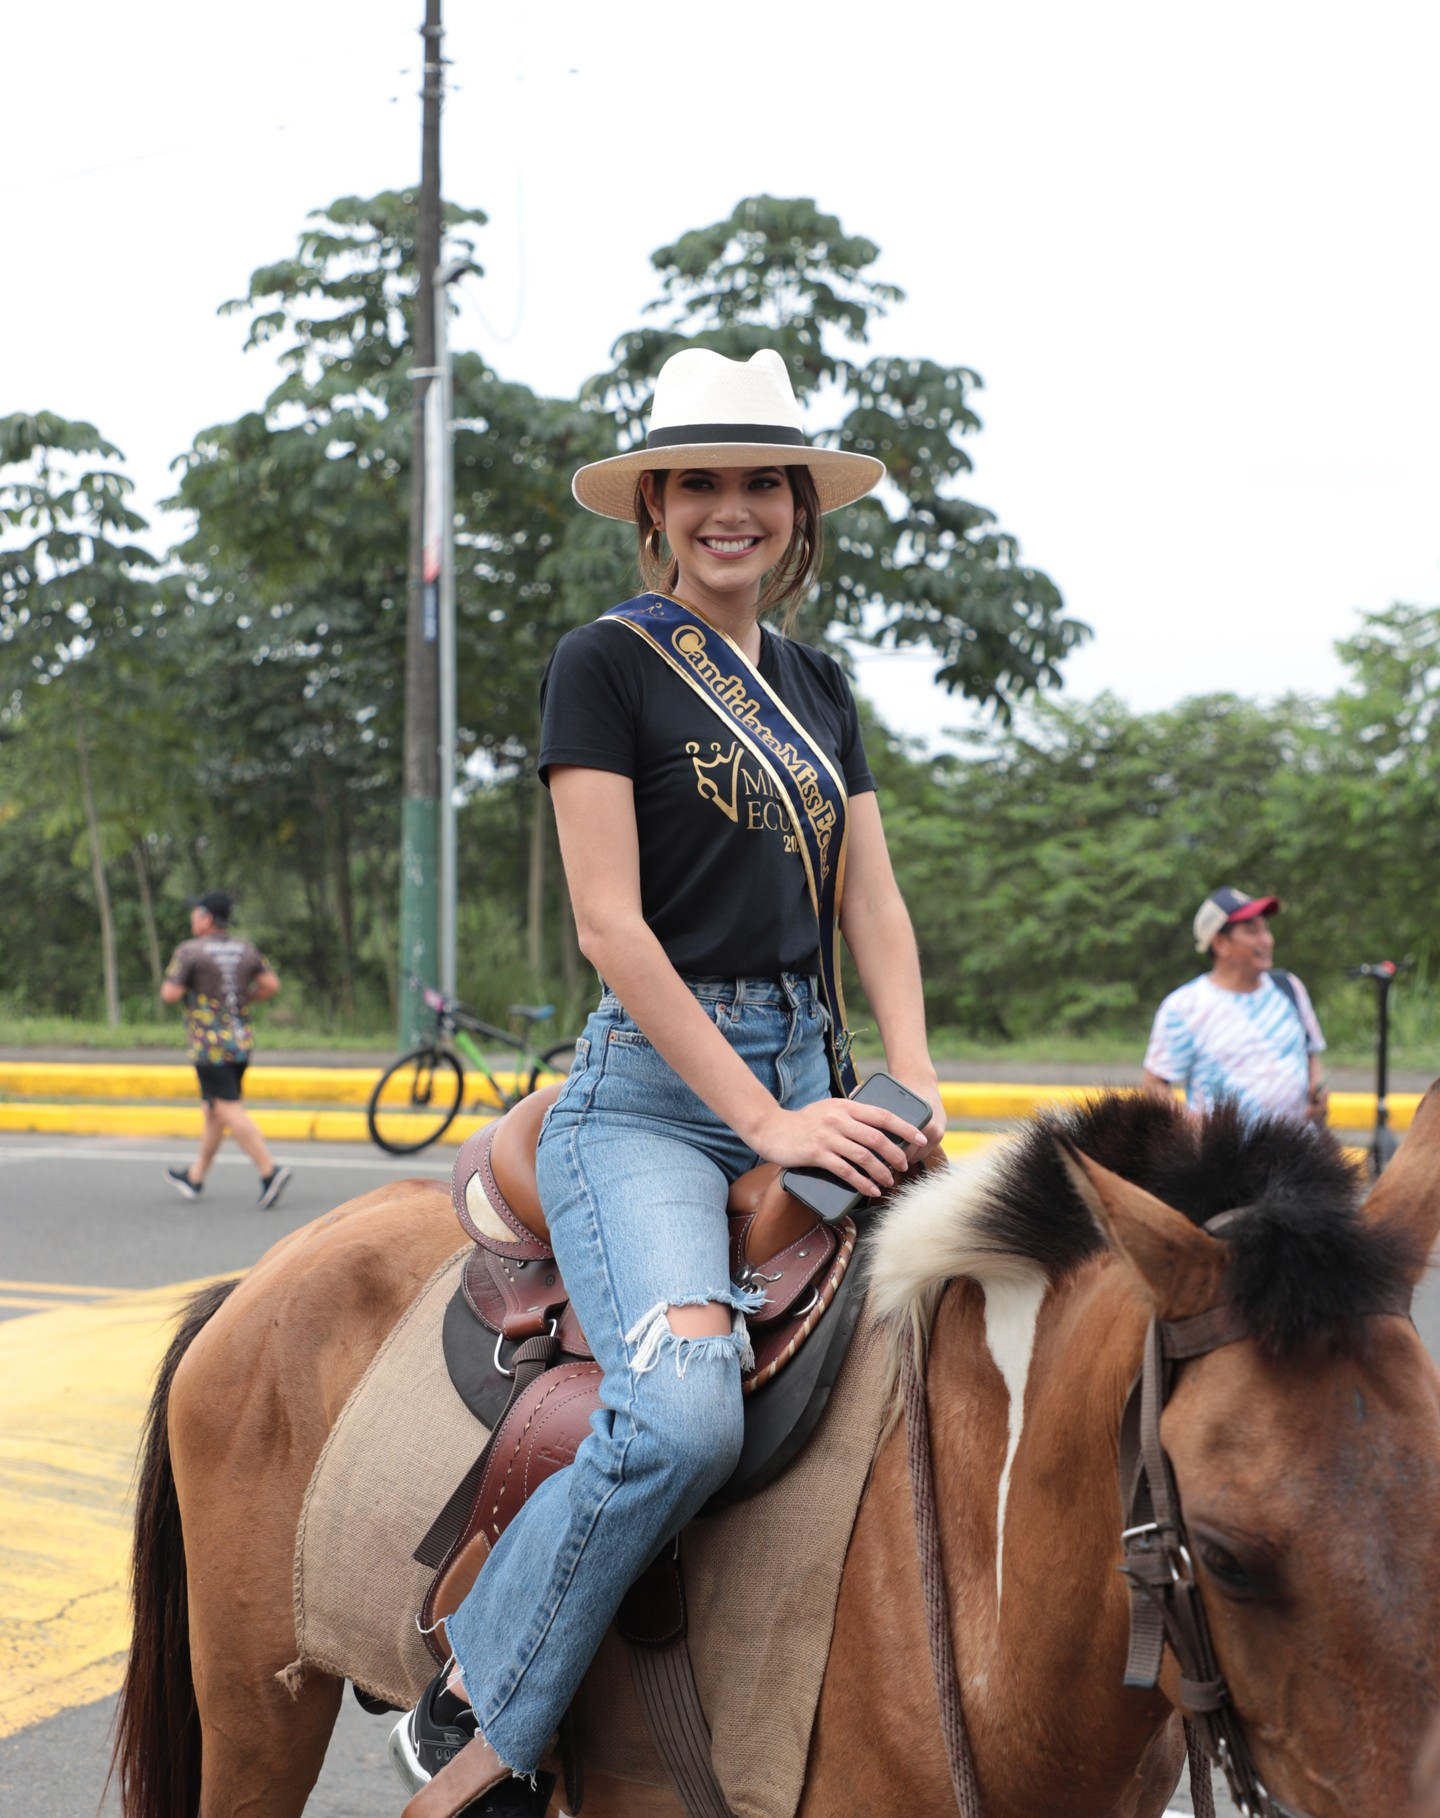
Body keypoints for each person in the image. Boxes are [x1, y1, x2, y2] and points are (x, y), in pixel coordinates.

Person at [388, 346, 946, 1818]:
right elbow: (609, 925)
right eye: (698, 480)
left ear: (798, 509)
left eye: (760, 479)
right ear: (653, 506)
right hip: (648, 1096)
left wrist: (913, 1075)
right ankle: (483, 1715)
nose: (731, 507)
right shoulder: (607, 662)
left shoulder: (820, 684)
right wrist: (764, 1119)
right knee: (688, 1411)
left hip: (817, 1068)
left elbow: (873, 905)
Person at [1142, 885, 1328, 1125]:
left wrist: (1317, 1089)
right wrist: (1188, 1126)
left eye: (1265, 929)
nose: (1267, 940)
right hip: (1226, 1159)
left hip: (1300, 1152)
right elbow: (1154, 1084)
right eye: (1253, 931)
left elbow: (1311, 1053)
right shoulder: (1184, 1006)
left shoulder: (1289, 987)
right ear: (1220, 943)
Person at [159, 889, 293, 1208]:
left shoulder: (190, 951)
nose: (193, 918)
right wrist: (245, 997)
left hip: (210, 1046)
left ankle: (269, 1171)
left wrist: (193, 992)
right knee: (214, 1111)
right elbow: (271, 985)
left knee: (228, 1108)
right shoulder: (245, 949)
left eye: (196, 913)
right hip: (241, 1042)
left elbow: (169, 993)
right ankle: (195, 1177)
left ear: (206, 918)